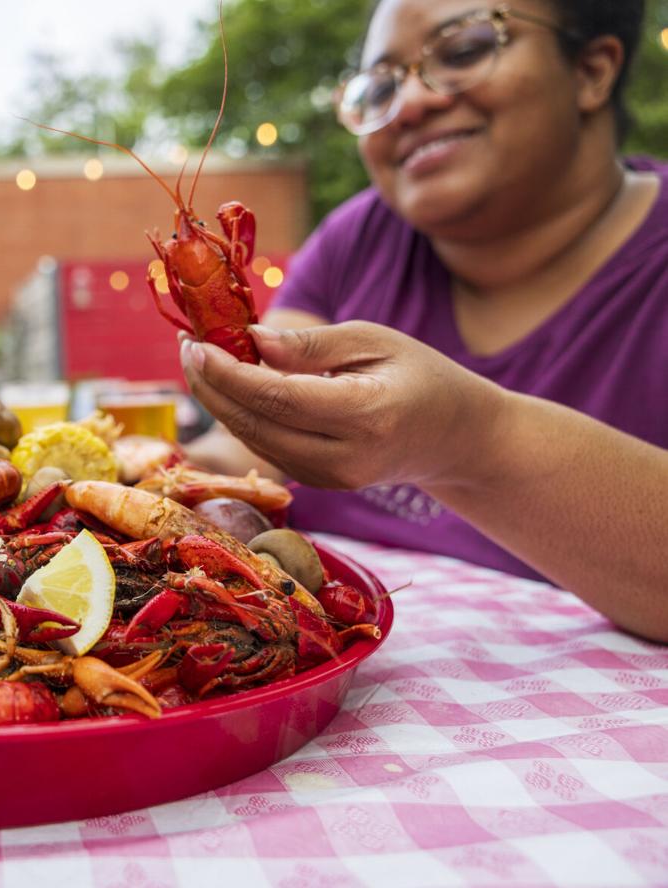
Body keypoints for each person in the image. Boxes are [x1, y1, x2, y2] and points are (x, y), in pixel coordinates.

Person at [181, 0, 668, 641]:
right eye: (379, 86)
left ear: (592, 70)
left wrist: (467, 442)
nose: (408, 104)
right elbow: (246, 449)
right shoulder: (355, 237)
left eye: (463, 50)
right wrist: (159, 473)